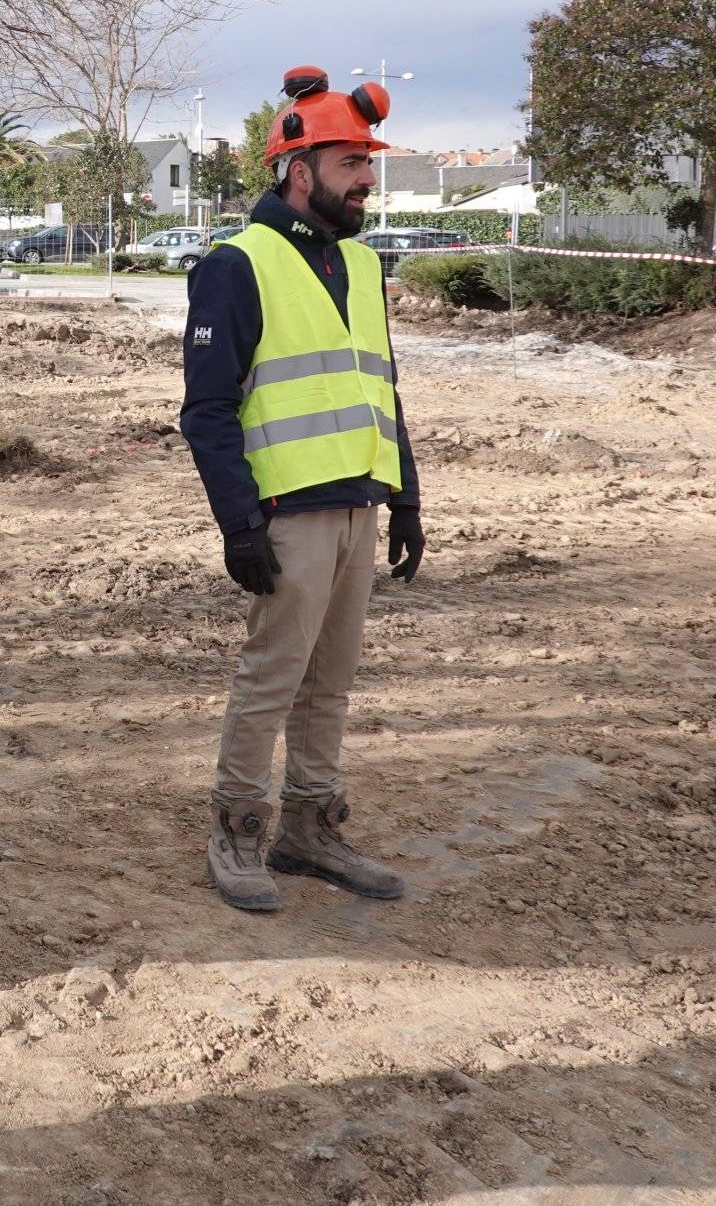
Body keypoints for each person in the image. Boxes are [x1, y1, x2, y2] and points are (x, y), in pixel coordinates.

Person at [179, 65, 426, 915]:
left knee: (333, 681)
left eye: (369, 162)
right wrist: (239, 524)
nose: (367, 179)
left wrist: (407, 496)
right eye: (353, 162)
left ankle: (311, 827)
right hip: (287, 513)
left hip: (359, 498)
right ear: (299, 170)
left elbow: (379, 387)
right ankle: (239, 829)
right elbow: (206, 411)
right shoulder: (236, 266)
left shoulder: (359, 263)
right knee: (273, 677)